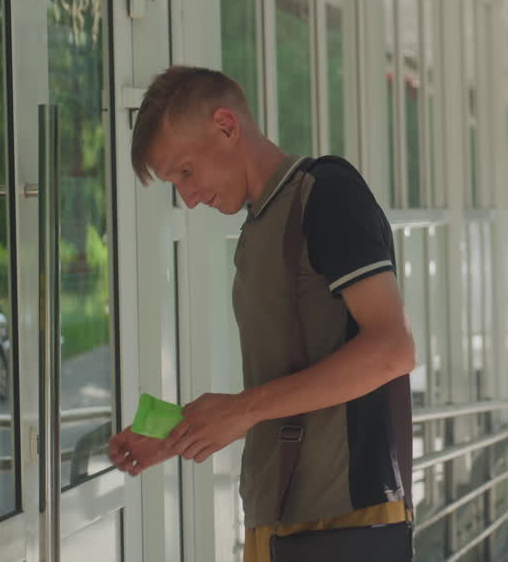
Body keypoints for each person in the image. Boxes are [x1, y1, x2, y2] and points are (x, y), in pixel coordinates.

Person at [108, 66, 416, 562]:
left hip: (341, 522)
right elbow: (283, 383)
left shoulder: (328, 193)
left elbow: (393, 349)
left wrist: (241, 409)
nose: (187, 198)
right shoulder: (259, 226)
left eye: (186, 171)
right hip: (282, 520)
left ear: (227, 126)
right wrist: (175, 434)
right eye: (174, 184)